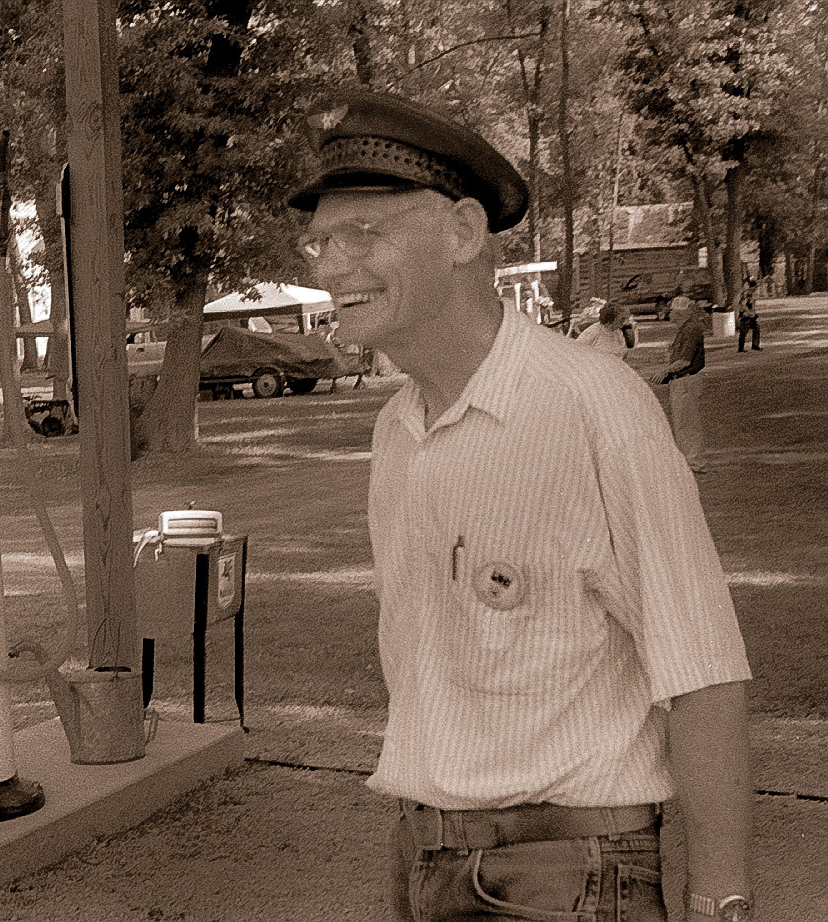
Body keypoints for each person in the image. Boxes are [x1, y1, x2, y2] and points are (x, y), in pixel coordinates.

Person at [290, 89, 752, 922]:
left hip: (565, 872)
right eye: (320, 240)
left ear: (464, 234)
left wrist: (724, 899)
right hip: (432, 850)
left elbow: (704, 671)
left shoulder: (592, 407)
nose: (329, 266)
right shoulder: (398, 429)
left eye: (363, 233)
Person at [659, 296, 709, 472]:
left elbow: (685, 361)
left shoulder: (690, 330)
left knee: (686, 421)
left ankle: (693, 461)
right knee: (684, 421)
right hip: (683, 380)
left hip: (686, 379)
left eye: (672, 310)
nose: (670, 313)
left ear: (681, 313)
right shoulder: (686, 328)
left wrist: (665, 372)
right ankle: (690, 459)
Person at [738, 278, 761, 352]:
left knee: (756, 329)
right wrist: (748, 312)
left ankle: (755, 345)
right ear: (753, 287)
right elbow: (742, 304)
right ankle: (741, 348)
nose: (756, 289)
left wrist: (753, 313)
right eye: (755, 287)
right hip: (746, 316)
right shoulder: (748, 294)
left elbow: (751, 305)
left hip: (750, 316)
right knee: (743, 332)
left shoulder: (751, 294)